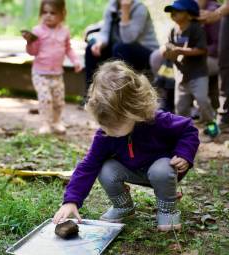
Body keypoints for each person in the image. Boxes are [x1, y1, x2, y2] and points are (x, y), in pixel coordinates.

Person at [53, 61, 200, 231]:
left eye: (115, 125)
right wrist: (71, 200)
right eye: (105, 125)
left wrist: (184, 154)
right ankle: (124, 207)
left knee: (161, 169)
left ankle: (167, 210)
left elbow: (189, 129)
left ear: (134, 110)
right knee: (104, 168)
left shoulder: (158, 120)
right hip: (132, 170)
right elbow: (88, 166)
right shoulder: (105, 133)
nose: (110, 131)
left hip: (162, 170)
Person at [23, 0, 82, 134]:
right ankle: (45, 123)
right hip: (40, 73)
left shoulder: (64, 31)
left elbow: (68, 48)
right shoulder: (37, 31)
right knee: (46, 99)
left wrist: (76, 61)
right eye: (44, 12)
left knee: (58, 100)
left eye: (52, 13)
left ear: (62, 14)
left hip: (57, 73)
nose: (48, 15)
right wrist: (29, 42)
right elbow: (33, 52)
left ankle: (56, 121)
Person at [162, 0, 219, 138]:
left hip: (198, 74)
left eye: (178, 11)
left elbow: (202, 50)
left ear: (189, 15)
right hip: (181, 76)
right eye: (172, 11)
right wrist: (167, 52)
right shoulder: (173, 30)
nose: (174, 14)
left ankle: (211, 125)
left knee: (202, 100)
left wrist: (179, 50)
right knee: (180, 107)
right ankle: (184, 134)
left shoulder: (196, 29)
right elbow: (168, 50)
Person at [84, 0, 159, 102]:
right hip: (119, 49)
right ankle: (92, 96)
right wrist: (100, 43)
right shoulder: (111, 6)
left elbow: (128, 39)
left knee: (120, 48)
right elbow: (105, 32)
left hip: (146, 53)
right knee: (91, 49)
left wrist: (125, 10)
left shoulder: (140, 9)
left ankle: (120, 97)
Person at [199, 0, 229, 128]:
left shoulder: (212, 8)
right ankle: (224, 115)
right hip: (226, 13)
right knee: (225, 62)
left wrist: (217, 13)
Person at [197, 0, 220, 111]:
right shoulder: (186, 9)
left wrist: (197, 51)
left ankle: (203, 107)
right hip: (196, 54)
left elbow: (217, 47)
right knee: (158, 58)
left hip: (215, 58)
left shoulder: (212, 11)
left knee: (191, 65)